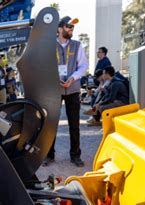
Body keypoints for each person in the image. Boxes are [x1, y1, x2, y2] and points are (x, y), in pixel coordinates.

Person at [44, 16, 88, 167]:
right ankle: (49, 155)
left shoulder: (77, 45)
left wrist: (73, 77)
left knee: (74, 124)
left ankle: (75, 155)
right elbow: (43, 66)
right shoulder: (49, 46)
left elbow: (83, 66)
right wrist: (52, 78)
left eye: (73, 27)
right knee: (51, 125)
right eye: (69, 26)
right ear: (59, 28)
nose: (71, 29)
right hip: (54, 90)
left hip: (73, 89)